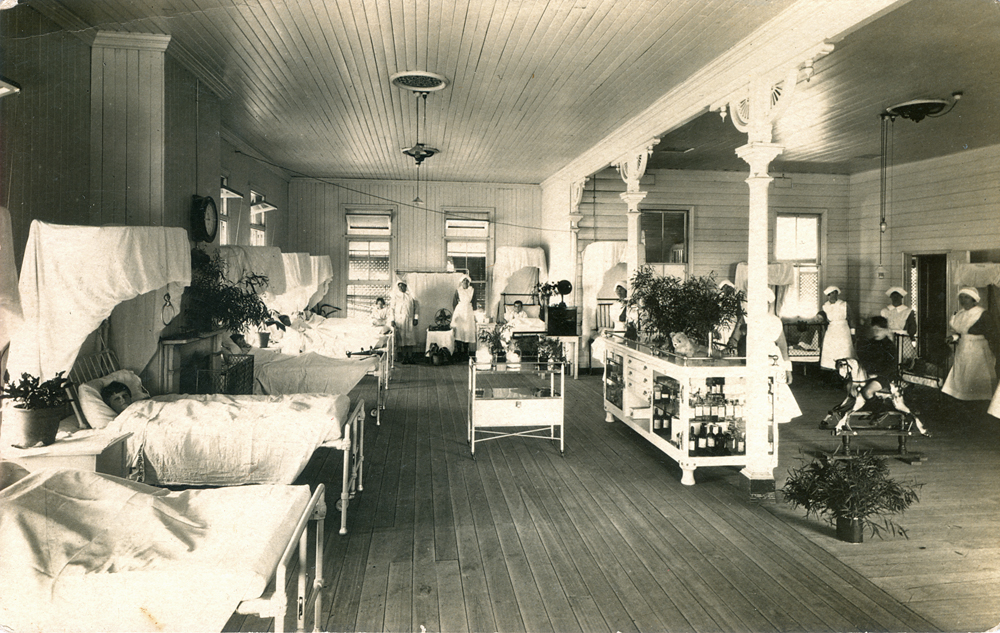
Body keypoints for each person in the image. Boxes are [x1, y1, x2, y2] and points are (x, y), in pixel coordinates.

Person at [942, 287, 997, 401]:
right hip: (963, 348)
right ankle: (962, 397)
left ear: (973, 299)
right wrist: (953, 337)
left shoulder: (982, 313)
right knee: (962, 373)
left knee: (975, 373)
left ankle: (978, 400)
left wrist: (994, 351)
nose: (963, 300)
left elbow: (992, 333)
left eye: (966, 297)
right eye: (961, 297)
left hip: (978, 349)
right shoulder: (960, 314)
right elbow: (962, 333)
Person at [761, 288, 800, 423]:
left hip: (774, 358)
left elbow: (783, 347)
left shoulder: (775, 321)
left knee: (775, 390)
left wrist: (788, 370)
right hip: (756, 357)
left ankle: (774, 425)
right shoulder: (748, 320)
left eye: (765, 303)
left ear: (768, 304)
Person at [819, 286, 856, 370]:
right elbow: (823, 320)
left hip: (843, 330)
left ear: (837, 294)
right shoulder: (825, 306)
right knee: (831, 350)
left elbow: (851, 319)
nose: (832, 296)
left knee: (844, 350)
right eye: (829, 294)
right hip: (831, 330)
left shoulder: (844, 304)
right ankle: (831, 369)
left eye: (834, 293)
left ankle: (846, 369)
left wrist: (853, 334)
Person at [391, 280, 418, 363]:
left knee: (410, 339)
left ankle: (410, 357)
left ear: (406, 286)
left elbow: (416, 307)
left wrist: (416, 318)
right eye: (399, 286)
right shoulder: (395, 296)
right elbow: (392, 309)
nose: (401, 287)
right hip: (400, 321)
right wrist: (392, 319)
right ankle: (404, 357)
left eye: (402, 286)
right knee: (402, 339)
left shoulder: (411, 295)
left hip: (409, 320)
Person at [451, 275, 476, 357]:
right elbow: (454, 303)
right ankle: (459, 353)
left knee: (467, 331)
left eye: (467, 282)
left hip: (468, 312)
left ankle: (466, 352)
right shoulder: (458, 290)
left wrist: (474, 315)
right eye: (464, 281)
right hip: (460, 312)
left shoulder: (472, 290)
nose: (465, 283)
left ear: (469, 283)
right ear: (461, 283)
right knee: (459, 331)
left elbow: (474, 303)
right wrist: (457, 313)